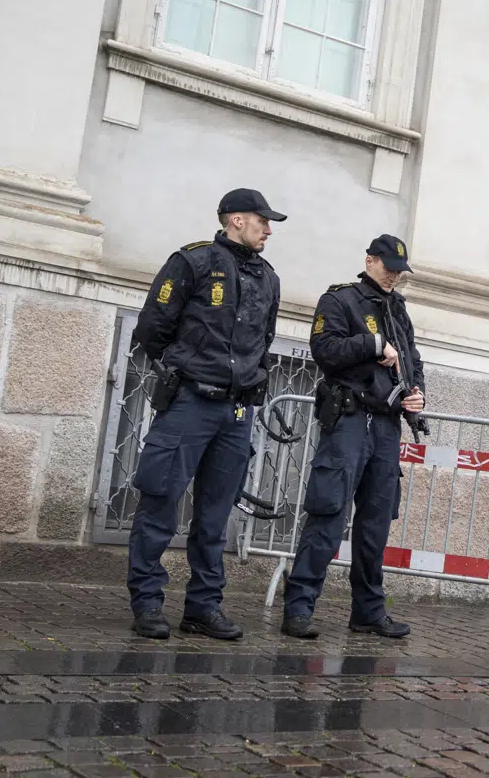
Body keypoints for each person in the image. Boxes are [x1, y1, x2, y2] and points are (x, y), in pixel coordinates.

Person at [126, 188, 285, 641]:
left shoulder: (267, 277)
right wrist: (184, 366)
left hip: (235, 411)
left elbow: (264, 338)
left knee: (215, 515)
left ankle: (203, 606)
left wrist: (252, 374)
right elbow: (152, 327)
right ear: (236, 219)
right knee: (160, 501)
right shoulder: (193, 261)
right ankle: (148, 602)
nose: (268, 230)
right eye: (262, 221)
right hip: (191, 402)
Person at [281, 234, 426, 640]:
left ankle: (368, 611)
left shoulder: (398, 309)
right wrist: (372, 343)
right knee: (328, 513)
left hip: (385, 424)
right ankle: (299, 608)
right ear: (369, 260)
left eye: (400, 270)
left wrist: (417, 394)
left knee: (376, 522)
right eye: (388, 267)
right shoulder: (340, 300)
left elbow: (412, 360)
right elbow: (324, 350)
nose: (394, 276)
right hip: (349, 418)